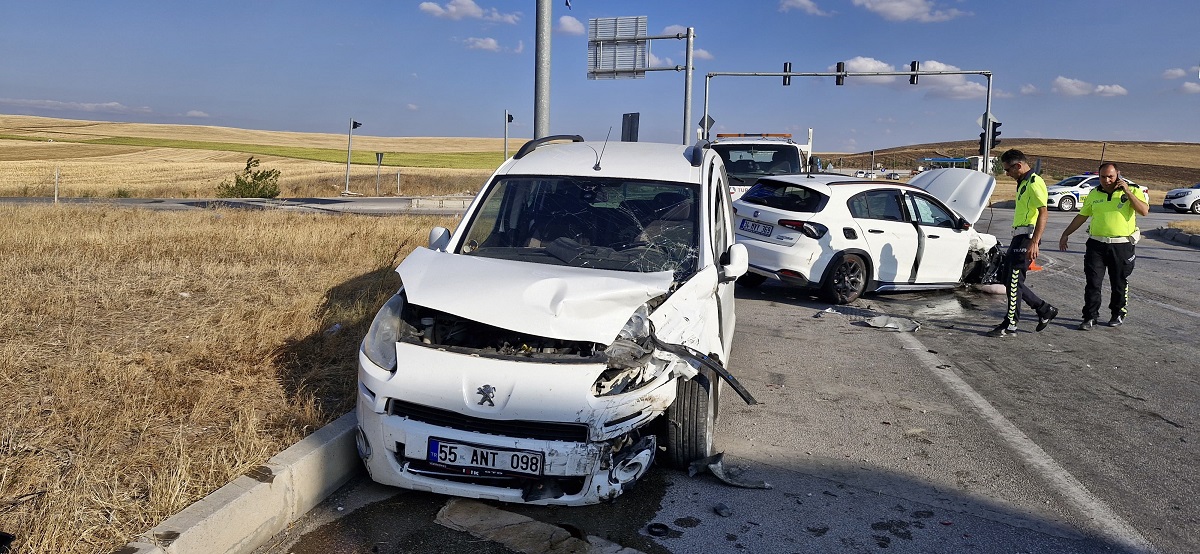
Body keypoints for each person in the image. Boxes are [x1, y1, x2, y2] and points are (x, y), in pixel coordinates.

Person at [1058, 162, 1148, 329]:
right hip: (1096, 245)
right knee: (1093, 282)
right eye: (1103, 177)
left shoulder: (1133, 190)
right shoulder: (1094, 193)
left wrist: (1127, 192)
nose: (1106, 180)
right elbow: (1082, 216)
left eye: (1110, 177)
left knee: (1118, 282)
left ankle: (1117, 313)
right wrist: (1066, 233)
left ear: (1118, 175)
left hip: (1121, 245)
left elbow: (1144, 211)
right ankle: (1090, 316)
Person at [987, 149, 1058, 337]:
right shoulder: (1023, 182)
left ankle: (1011, 324)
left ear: (1018, 165)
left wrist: (1034, 242)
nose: (1006, 174)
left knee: (1014, 280)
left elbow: (1043, 213)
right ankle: (1044, 309)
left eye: (1008, 169)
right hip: (1019, 237)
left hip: (1027, 238)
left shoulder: (1034, 182)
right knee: (1007, 278)